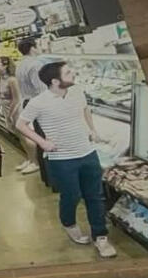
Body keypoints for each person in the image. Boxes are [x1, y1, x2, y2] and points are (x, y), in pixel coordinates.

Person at [17, 61, 119, 258]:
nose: (73, 73)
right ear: (55, 81)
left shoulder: (77, 92)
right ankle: (69, 224)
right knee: (71, 196)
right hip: (61, 159)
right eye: (68, 72)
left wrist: (92, 130)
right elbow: (21, 124)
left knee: (95, 196)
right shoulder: (38, 102)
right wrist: (42, 142)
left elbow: (85, 109)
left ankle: (101, 237)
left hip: (88, 153)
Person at [14, 37, 45, 175]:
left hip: (28, 102)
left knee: (39, 138)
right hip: (38, 103)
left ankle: (45, 173)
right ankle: (51, 176)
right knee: (45, 139)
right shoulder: (35, 64)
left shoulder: (20, 65)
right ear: (32, 48)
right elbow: (41, 90)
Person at [0, 55, 21, 128]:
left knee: (18, 132)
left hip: (14, 112)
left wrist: (10, 115)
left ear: (5, 66)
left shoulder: (12, 80)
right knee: (10, 131)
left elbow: (16, 100)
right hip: (4, 111)